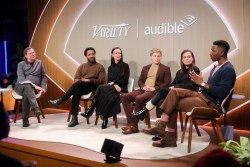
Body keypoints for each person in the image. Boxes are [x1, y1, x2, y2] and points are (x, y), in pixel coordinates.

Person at [142, 40, 236, 148]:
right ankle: (163, 129)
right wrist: (201, 84)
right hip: (203, 96)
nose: (210, 53)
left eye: (213, 50)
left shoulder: (228, 69)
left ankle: (168, 136)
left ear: (222, 52)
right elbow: (206, 87)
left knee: (172, 103)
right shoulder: (216, 67)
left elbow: (221, 93)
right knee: (173, 92)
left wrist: (201, 83)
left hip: (211, 104)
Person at [133, 49, 200, 140]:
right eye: (184, 57)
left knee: (163, 91)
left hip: (189, 95)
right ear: (182, 60)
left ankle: (145, 111)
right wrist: (173, 87)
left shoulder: (195, 69)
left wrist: (174, 87)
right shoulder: (180, 72)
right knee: (160, 101)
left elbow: (191, 86)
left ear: (193, 59)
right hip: (177, 94)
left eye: (189, 57)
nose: (187, 59)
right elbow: (173, 83)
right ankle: (160, 130)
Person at [48, 47, 106, 127]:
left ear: (95, 54)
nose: (91, 56)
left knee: (79, 83)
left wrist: (89, 80)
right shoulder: (82, 66)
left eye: (92, 54)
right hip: (82, 86)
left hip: (93, 87)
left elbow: (102, 81)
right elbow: (76, 78)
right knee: (76, 92)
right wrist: (82, 81)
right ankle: (74, 119)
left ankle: (61, 100)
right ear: (86, 56)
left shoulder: (100, 67)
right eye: (89, 55)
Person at [120, 48, 171, 134]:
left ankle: (133, 126)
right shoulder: (145, 68)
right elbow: (140, 81)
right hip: (143, 89)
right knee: (124, 96)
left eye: (159, 56)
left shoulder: (165, 69)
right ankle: (132, 124)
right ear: (151, 57)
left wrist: (154, 88)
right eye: (154, 56)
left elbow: (167, 83)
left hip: (154, 92)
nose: (157, 58)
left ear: (161, 57)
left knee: (139, 98)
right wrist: (143, 86)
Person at [81, 47, 130, 129]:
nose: (118, 55)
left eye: (119, 53)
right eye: (116, 53)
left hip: (121, 88)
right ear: (112, 55)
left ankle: (91, 110)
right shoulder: (110, 67)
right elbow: (109, 81)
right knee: (104, 93)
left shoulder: (125, 66)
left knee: (101, 88)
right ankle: (104, 118)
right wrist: (113, 84)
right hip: (112, 88)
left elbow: (125, 80)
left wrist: (114, 84)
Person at [14, 47, 47, 127]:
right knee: (27, 86)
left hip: (32, 90)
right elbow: (21, 79)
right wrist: (35, 86)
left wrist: (43, 87)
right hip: (20, 87)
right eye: (30, 53)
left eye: (34, 52)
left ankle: (25, 120)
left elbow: (44, 76)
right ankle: (36, 109)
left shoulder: (39, 63)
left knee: (27, 93)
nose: (33, 54)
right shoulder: (21, 64)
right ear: (26, 56)